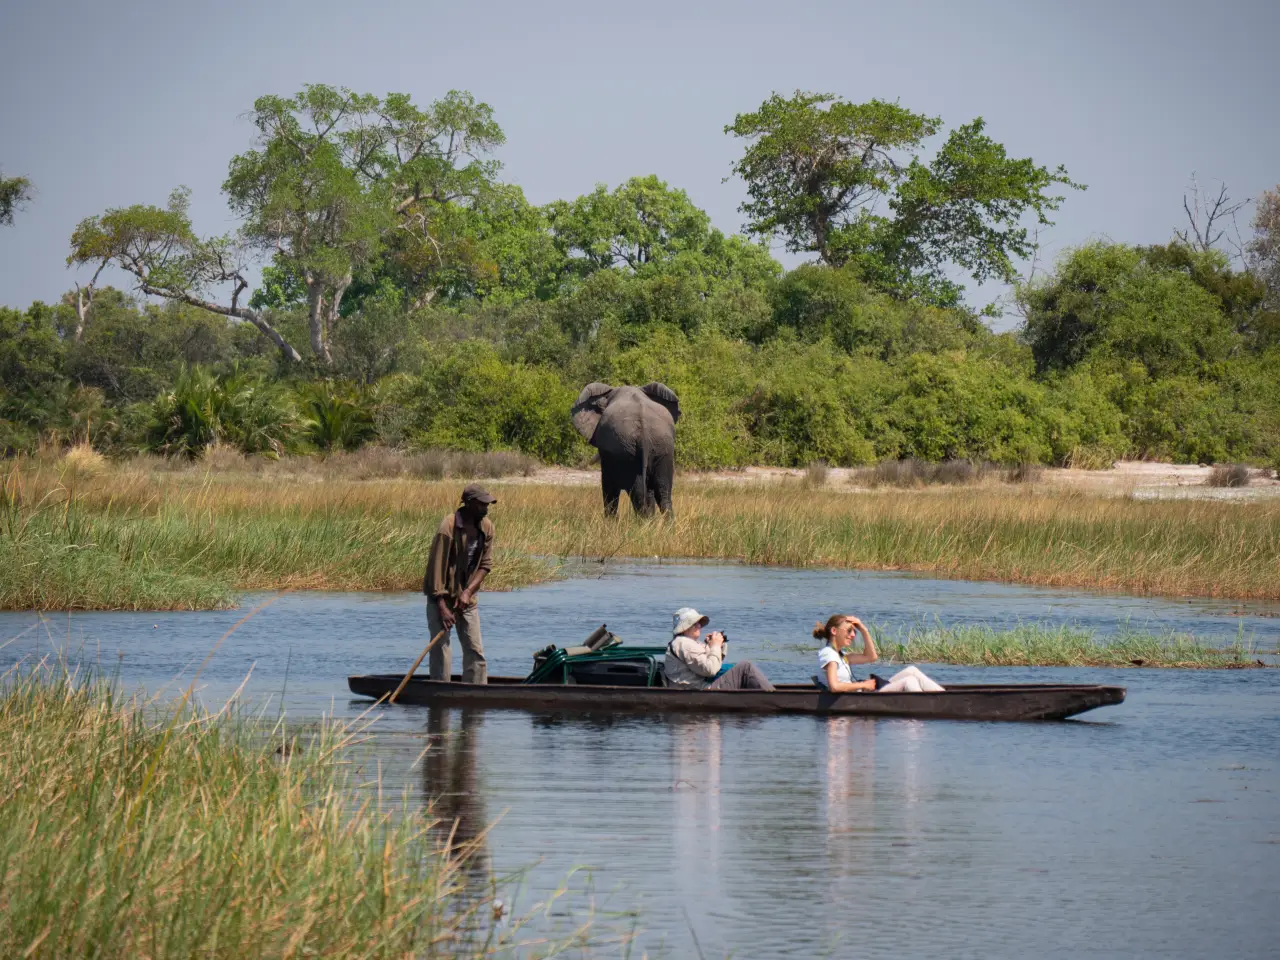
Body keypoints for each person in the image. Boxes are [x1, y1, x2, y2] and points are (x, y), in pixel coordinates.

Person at [423, 484, 496, 684]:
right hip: (441, 598)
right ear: (470, 504)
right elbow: (436, 569)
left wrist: (467, 592)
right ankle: (441, 691)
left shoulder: (487, 527)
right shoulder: (448, 526)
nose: (486, 508)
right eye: (482, 504)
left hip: (467, 600)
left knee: (475, 649)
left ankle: (476, 693)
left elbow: (485, 565)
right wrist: (442, 605)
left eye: (487, 504)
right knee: (441, 648)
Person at [813, 614, 944, 693]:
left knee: (912, 671)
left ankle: (943, 698)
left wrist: (863, 629)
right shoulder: (829, 655)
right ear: (834, 631)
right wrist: (864, 685)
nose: (852, 635)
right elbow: (834, 687)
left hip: (863, 691)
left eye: (854, 631)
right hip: (860, 696)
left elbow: (871, 657)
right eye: (849, 631)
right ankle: (928, 708)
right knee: (909, 681)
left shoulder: (842, 655)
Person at [664, 608, 775, 691]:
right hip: (700, 690)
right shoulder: (684, 643)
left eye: (699, 623)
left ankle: (767, 693)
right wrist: (715, 646)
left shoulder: (689, 643)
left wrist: (714, 645)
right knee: (746, 667)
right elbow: (710, 670)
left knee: (740, 668)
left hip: (700, 686)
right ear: (684, 628)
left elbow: (715, 664)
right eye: (694, 624)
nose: (699, 626)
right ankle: (772, 697)